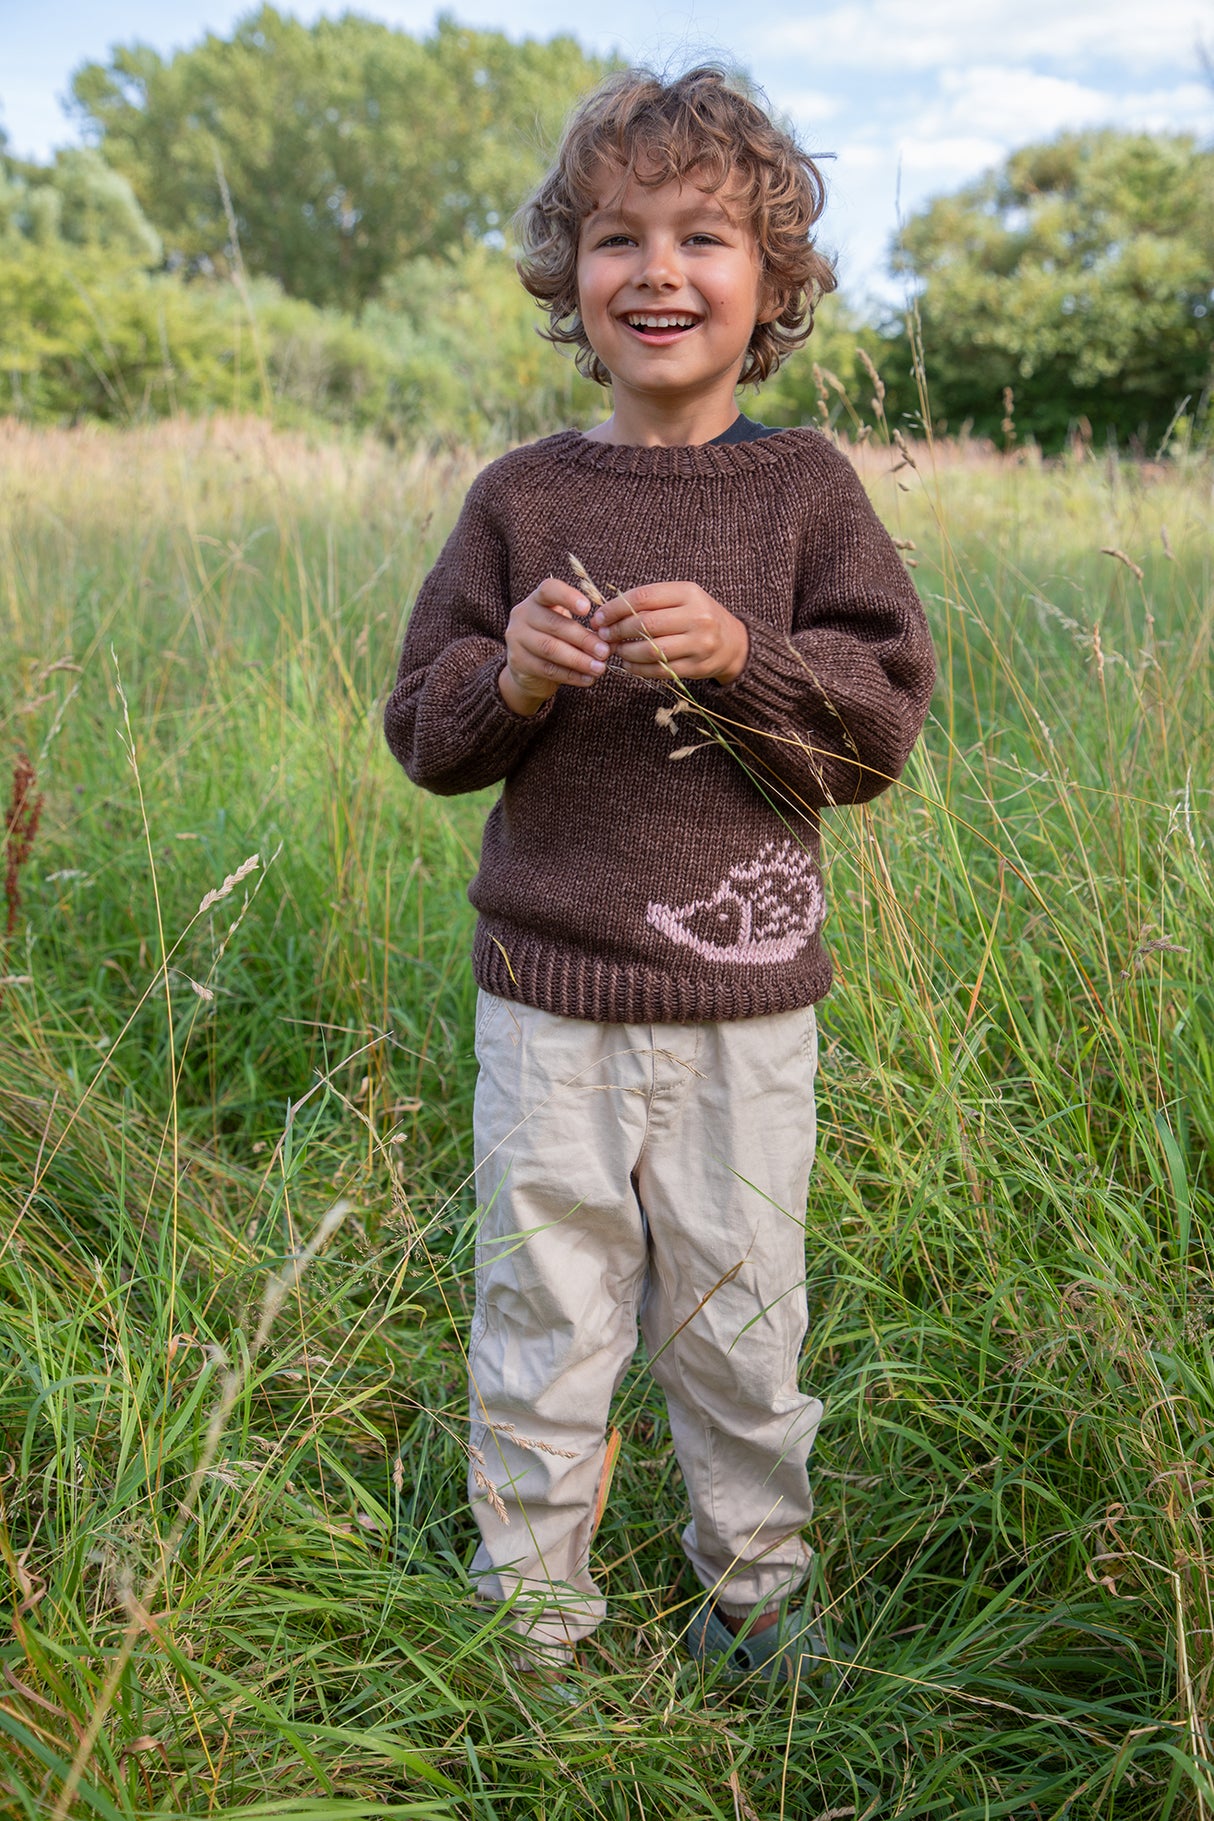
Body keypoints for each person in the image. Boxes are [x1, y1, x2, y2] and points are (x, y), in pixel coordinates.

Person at [384, 65, 935, 1683]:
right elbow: (426, 731)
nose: (657, 270)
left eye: (704, 235)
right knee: (543, 1315)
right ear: (570, 277)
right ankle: (533, 1615)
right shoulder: (524, 497)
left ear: (770, 281)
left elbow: (876, 727)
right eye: (616, 236)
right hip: (546, 1006)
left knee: (738, 1326)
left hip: (742, 1016)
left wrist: (745, 659)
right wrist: (524, 679)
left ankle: (756, 1594)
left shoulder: (806, 491)